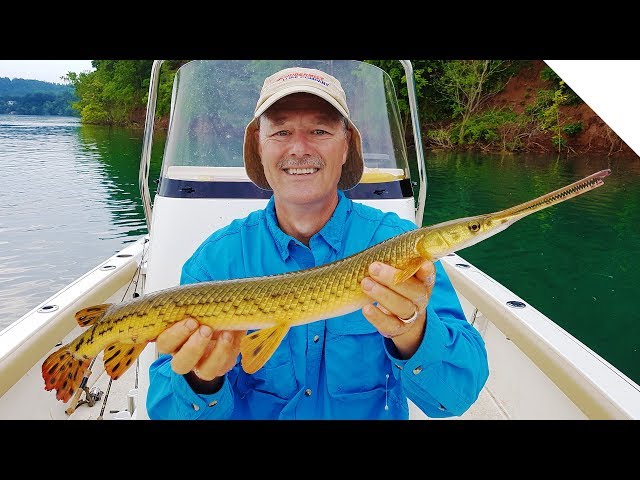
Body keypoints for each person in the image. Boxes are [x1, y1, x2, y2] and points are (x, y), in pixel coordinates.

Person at [146, 67, 489, 420]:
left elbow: (455, 398)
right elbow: (164, 409)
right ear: (258, 148)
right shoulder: (214, 261)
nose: (299, 149)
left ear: (346, 147)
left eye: (320, 130)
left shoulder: (396, 245)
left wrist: (414, 331)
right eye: (280, 131)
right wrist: (200, 382)